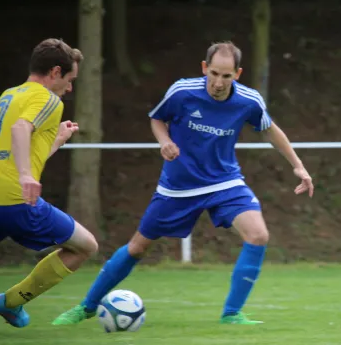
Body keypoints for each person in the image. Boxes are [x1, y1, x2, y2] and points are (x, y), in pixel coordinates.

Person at [53, 41, 314, 326]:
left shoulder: (249, 101)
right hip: (177, 187)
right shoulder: (182, 92)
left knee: (258, 235)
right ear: (204, 68)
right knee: (137, 247)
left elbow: (270, 130)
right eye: (214, 73)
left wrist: (299, 166)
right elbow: (157, 119)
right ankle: (87, 306)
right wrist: (165, 142)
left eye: (226, 76)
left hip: (224, 182)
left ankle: (231, 314)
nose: (218, 82)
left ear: (237, 74)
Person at [0, 38, 99, 328]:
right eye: (69, 80)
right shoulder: (48, 99)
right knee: (85, 246)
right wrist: (26, 176)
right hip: (17, 202)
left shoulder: (9, 95)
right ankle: (10, 302)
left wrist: (55, 139)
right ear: (55, 72)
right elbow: (21, 129)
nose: (69, 89)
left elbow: (17, 146)